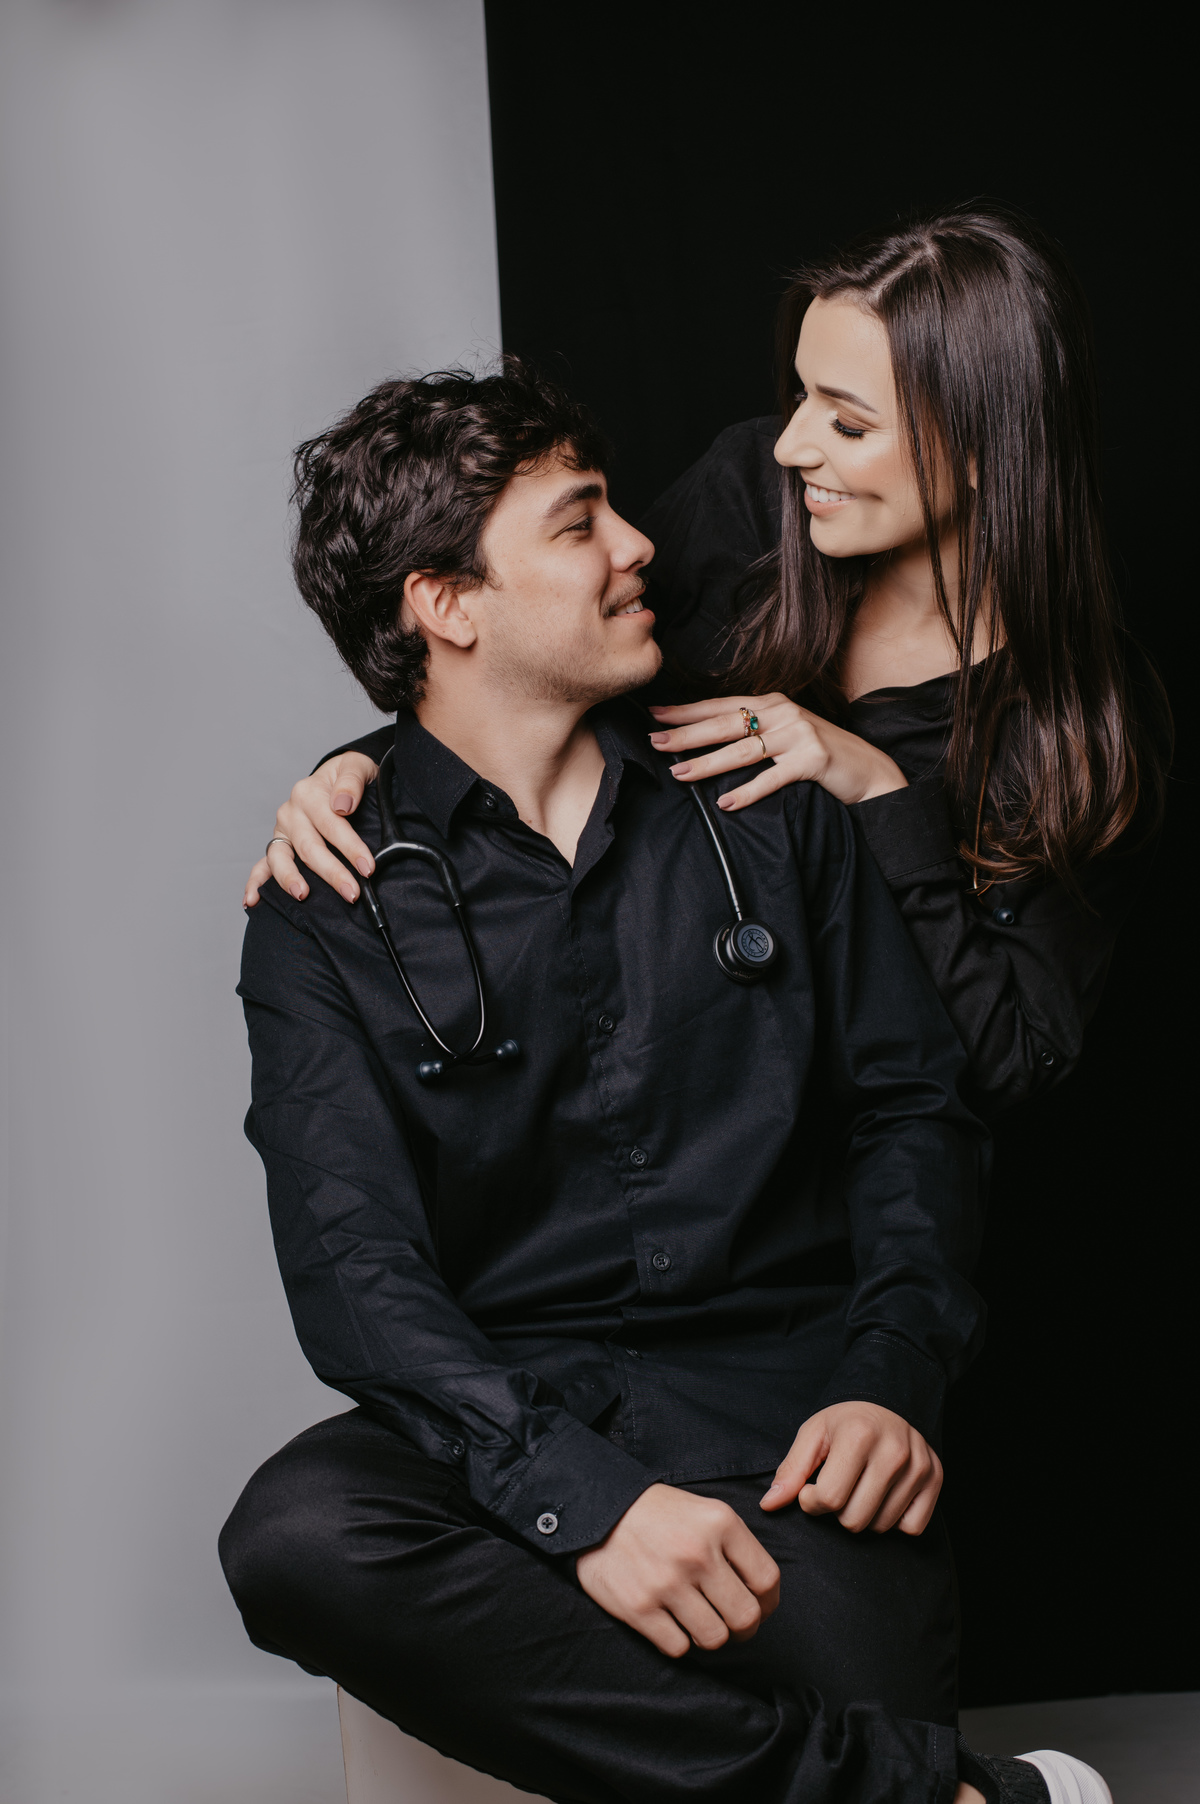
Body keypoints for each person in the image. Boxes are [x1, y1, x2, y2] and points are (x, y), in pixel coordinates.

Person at [220, 361, 1110, 1804]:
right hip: (514, 1419)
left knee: (850, 1667)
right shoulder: (327, 903)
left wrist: (891, 1380)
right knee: (298, 1535)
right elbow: (357, 1271)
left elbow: (916, 1113)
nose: (640, 544)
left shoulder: (766, 802)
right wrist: (587, 1504)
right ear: (446, 605)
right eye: (580, 525)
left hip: (793, 1428)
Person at [246, 203, 1169, 1122]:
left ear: (981, 451)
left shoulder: (1084, 720)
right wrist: (371, 767)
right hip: (690, 1111)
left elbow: (1013, 1056)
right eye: (800, 396)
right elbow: (545, 643)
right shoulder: (752, 501)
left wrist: (881, 794)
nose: (792, 446)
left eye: (849, 426)